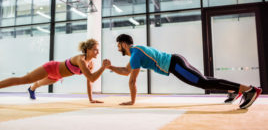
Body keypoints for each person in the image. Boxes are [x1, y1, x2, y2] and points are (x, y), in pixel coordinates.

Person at [107, 34, 262, 109]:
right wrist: (110, 67)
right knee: (204, 78)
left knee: (203, 83)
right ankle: (233, 90)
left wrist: (132, 101)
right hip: (176, 60)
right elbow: (127, 71)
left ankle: (248, 90)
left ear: (123, 44)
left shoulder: (135, 55)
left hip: (175, 65)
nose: (117, 48)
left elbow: (131, 80)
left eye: (118, 45)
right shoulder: (137, 51)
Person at [0, 39, 111, 104]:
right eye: (95, 49)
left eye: (97, 50)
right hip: (51, 68)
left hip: (57, 76)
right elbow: (93, 78)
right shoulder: (81, 60)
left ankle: (31, 89)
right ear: (87, 50)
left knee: (38, 84)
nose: (97, 52)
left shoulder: (90, 63)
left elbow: (89, 81)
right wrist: (103, 67)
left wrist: (91, 99)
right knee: (23, 79)